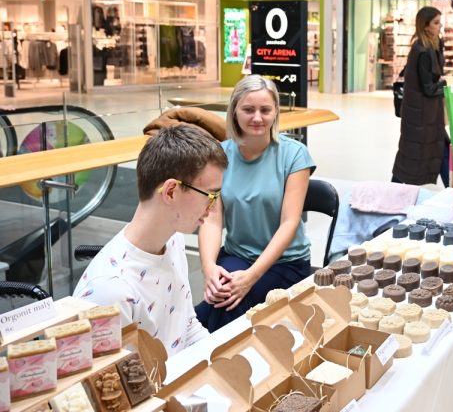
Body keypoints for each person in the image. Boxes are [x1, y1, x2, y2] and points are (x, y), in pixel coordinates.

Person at [73, 125, 228, 356]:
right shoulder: (110, 292)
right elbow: (120, 387)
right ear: (171, 192)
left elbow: (186, 327)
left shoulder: (173, 240)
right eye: (211, 195)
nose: (214, 206)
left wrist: (221, 361)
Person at [195, 74, 315, 331]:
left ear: (275, 113)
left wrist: (252, 277)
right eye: (248, 110)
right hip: (237, 255)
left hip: (285, 263)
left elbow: (290, 222)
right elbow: (212, 220)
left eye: (265, 110)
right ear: (234, 112)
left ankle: (203, 357)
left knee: (218, 308)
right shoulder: (219, 155)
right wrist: (209, 269)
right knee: (217, 295)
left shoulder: (294, 155)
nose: (257, 117)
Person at [392, 6, 449, 187]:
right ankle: (392, 189)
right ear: (425, 26)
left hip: (425, 114)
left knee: (431, 150)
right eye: (436, 23)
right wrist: (445, 84)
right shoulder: (422, 51)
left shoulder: (431, 46)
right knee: (419, 154)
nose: (440, 26)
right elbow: (428, 88)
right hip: (422, 116)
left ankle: (452, 188)